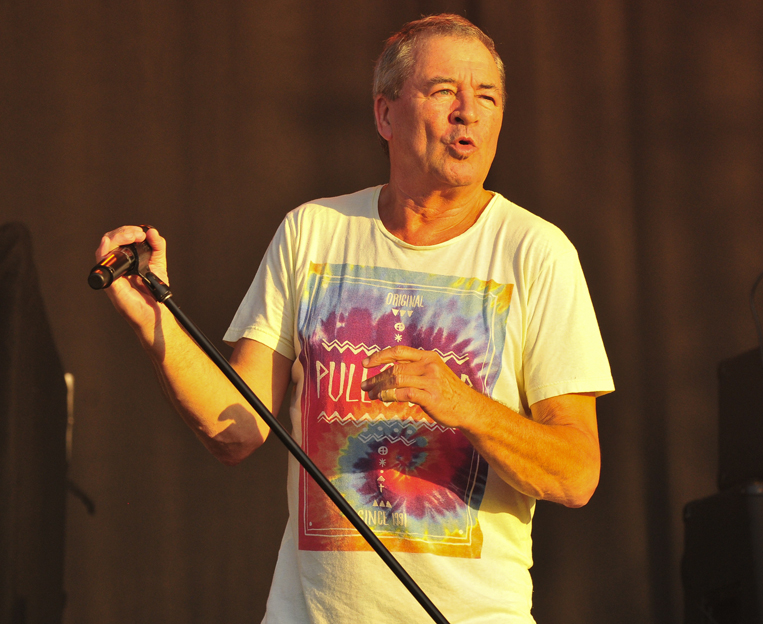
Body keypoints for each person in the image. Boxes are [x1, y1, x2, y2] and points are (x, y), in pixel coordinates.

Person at [96, 14, 613, 624]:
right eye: (443, 90)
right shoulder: (314, 233)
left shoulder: (536, 252)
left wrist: (463, 403)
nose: (467, 113)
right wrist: (155, 321)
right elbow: (234, 430)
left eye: (487, 97)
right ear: (385, 114)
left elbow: (575, 473)